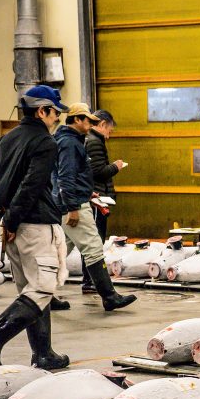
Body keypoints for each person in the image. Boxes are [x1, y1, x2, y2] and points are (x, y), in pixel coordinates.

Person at [0, 85, 70, 369]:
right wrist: (13, 219)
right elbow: (32, 185)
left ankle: (43, 353)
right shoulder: (45, 142)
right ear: (42, 111)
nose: (56, 119)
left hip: (11, 227)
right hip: (33, 225)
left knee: (30, 290)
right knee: (42, 289)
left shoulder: (4, 141)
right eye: (54, 113)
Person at [53, 102, 136, 311]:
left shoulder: (69, 140)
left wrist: (87, 191)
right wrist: (73, 206)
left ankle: (44, 295)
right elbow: (65, 176)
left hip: (73, 201)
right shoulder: (70, 143)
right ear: (77, 120)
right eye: (88, 120)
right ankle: (109, 296)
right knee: (93, 248)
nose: (91, 124)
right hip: (74, 207)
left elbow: (73, 175)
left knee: (59, 253)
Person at [81, 108, 124, 294]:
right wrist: (116, 166)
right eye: (109, 130)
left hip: (94, 197)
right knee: (94, 241)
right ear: (103, 125)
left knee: (92, 241)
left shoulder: (90, 140)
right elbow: (98, 172)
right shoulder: (94, 142)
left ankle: (90, 281)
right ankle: (90, 281)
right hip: (97, 199)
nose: (109, 135)